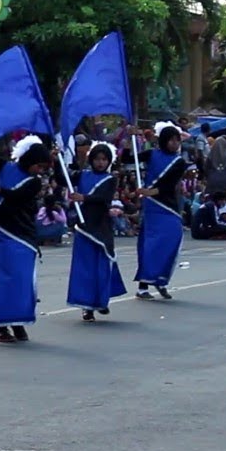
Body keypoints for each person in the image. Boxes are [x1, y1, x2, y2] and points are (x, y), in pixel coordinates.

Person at [0, 135, 51, 343]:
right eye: (38, 166)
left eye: (43, 167)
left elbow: (18, 195)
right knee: (4, 279)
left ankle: (17, 321)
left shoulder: (34, 182)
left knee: (23, 280)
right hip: (4, 231)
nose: (40, 170)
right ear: (29, 160)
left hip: (24, 234)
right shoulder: (5, 167)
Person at [67, 143, 126, 322]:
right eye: (97, 159)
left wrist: (83, 197)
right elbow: (63, 178)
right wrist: (56, 161)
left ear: (108, 161)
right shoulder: (82, 175)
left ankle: (101, 300)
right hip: (84, 227)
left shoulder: (110, 179)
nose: (100, 163)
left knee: (102, 264)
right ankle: (87, 307)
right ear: (91, 160)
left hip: (101, 226)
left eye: (104, 159)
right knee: (85, 268)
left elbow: (104, 198)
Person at [135, 123, 191, 300]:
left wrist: (150, 191)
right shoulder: (151, 154)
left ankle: (161, 280)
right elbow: (130, 159)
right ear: (164, 141)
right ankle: (143, 286)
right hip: (152, 207)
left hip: (167, 205)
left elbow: (168, 184)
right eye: (171, 140)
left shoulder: (179, 161)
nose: (175, 143)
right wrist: (130, 140)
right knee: (150, 245)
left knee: (171, 240)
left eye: (177, 140)